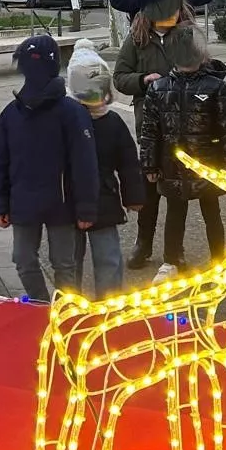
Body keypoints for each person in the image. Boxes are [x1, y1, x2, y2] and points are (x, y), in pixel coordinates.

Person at [0, 35, 100, 303]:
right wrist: (1, 203)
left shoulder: (72, 112)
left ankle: (65, 310)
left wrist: (86, 206)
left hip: (62, 204)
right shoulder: (10, 114)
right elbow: (0, 162)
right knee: (23, 259)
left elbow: (85, 163)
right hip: (23, 202)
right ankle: (40, 306)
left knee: (64, 264)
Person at [138, 22, 226, 282]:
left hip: (209, 164)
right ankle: (171, 260)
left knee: (211, 213)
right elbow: (150, 130)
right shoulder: (158, 88)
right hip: (172, 165)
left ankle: (219, 261)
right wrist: (149, 165)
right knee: (175, 211)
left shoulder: (216, 88)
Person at [114, 0, 192, 268]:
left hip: (181, 128)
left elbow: (205, 70)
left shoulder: (187, 36)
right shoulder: (137, 38)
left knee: (177, 192)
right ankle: (143, 244)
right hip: (147, 127)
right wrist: (142, 80)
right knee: (148, 190)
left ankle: (175, 251)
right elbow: (119, 76)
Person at [67, 39, 145, 298]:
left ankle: (109, 303)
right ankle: (70, 303)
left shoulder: (112, 123)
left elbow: (128, 161)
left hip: (104, 199)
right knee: (69, 259)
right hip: (67, 201)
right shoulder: (63, 123)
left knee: (108, 257)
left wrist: (133, 195)